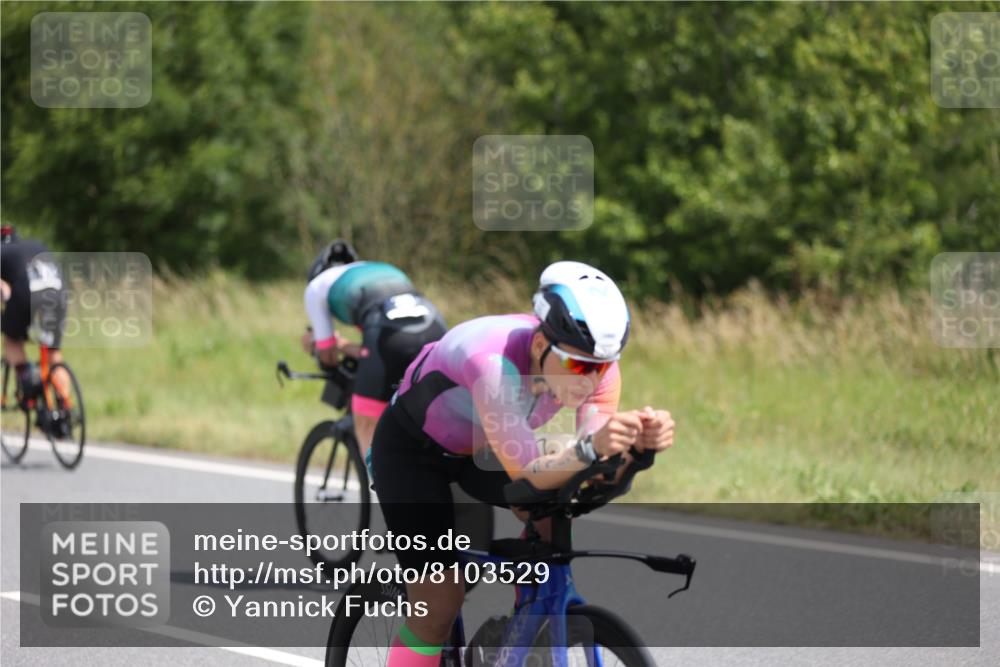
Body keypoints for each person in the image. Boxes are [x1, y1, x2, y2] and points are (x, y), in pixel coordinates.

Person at [370, 260, 676, 666]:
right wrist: (590, 449)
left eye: (599, 367)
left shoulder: (600, 368)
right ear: (538, 346)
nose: (589, 380)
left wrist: (638, 451)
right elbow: (530, 475)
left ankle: (519, 644)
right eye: (576, 365)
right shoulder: (491, 362)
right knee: (439, 599)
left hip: (484, 446)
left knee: (552, 519)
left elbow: (589, 473)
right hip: (412, 452)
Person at [300, 239, 446, 458]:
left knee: (366, 421)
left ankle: (384, 489)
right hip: (435, 325)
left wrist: (314, 345)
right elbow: (384, 342)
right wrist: (344, 345)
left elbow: (328, 355)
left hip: (387, 334)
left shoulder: (316, 287)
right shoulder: (378, 270)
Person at [0, 224, 69, 403]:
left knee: (11, 340)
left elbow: (4, 290)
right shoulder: (35, 245)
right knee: (53, 353)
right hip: (58, 291)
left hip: (27, 292)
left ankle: (29, 384)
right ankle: (65, 408)